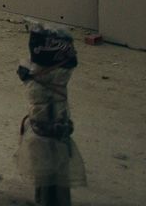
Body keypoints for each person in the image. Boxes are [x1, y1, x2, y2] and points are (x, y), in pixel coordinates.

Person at [16, 24, 86, 205]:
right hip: (58, 126)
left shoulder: (35, 76)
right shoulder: (62, 73)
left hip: (42, 128)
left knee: (45, 170)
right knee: (58, 167)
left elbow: (33, 84)